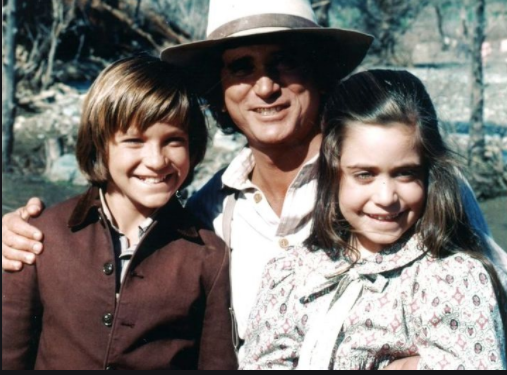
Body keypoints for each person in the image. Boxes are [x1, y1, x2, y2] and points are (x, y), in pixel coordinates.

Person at [2, 0, 505, 365]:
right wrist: (17, 235)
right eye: (242, 68)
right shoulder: (209, 212)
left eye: (284, 62)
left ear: (319, 73)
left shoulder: (400, 191)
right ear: (220, 93)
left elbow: (491, 302)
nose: (265, 86)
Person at [239, 70, 507, 370]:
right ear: (334, 170)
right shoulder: (289, 275)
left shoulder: (452, 280)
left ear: (429, 173)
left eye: (405, 173)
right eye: (364, 175)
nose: (386, 197)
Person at [2, 55, 237, 370]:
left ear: (193, 148)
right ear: (101, 146)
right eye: (134, 141)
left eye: (173, 141)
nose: (155, 160)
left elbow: (216, 363)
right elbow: (9, 355)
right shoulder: (37, 236)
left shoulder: (209, 256)